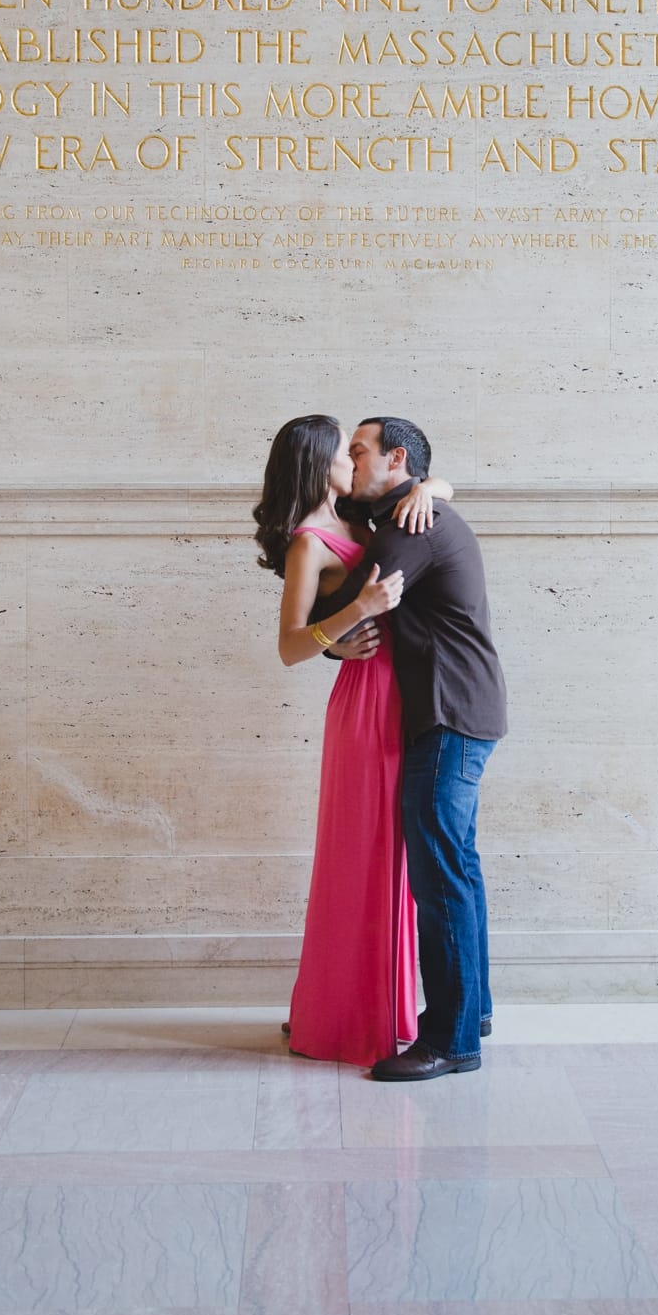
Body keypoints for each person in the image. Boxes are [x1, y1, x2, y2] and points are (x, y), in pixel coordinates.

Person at [252, 414, 454, 1066]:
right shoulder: (309, 542)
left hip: (403, 698)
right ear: (321, 463)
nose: (355, 461)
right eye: (346, 452)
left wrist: (432, 488)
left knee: (394, 859)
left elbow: (430, 492)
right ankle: (338, 1016)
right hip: (364, 706)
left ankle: (380, 1007)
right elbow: (288, 647)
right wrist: (352, 616)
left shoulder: (360, 524)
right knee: (359, 856)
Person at [319, 417, 508, 1082]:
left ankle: (451, 1041)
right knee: (459, 865)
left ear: (397, 458)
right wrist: (434, 484)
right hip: (466, 710)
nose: (350, 458)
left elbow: (353, 597)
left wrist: (318, 611)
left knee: (440, 878)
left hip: (447, 714)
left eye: (360, 450)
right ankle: (472, 1011)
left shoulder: (409, 525)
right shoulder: (412, 511)